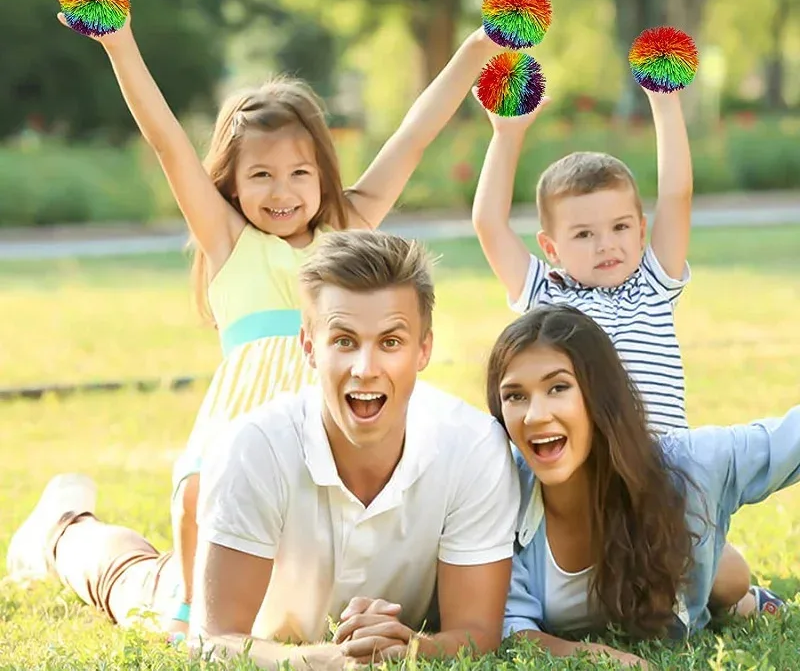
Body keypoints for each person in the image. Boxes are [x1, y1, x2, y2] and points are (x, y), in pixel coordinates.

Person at [49, 0, 501, 635]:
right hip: (242, 421)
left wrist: (480, 47)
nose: (282, 191)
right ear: (231, 183)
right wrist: (120, 43)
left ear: (323, 175)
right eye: (260, 175)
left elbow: (413, 135)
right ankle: (74, 534)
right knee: (195, 511)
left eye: (299, 173)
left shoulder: (349, 230)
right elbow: (169, 142)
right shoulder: (230, 241)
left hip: (325, 428)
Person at [7, 230, 520, 670]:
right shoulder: (253, 448)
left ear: (424, 349)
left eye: (390, 341)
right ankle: (63, 527)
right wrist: (319, 660)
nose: (366, 367)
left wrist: (413, 648)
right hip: (252, 611)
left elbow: (477, 631)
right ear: (308, 347)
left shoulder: (473, 447)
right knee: (138, 583)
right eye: (343, 340)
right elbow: (209, 641)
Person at [470, 86, 765, 615]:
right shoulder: (547, 297)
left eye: (620, 227)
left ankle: (742, 601)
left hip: (658, 483)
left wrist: (665, 104)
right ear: (551, 247)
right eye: (583, 234)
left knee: (728, 580)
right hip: (578, 489)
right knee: (609, 591)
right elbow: (489, 224)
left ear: (641, 229)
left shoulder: (652, 283)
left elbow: (677, 193)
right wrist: (506, 134)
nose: (606, 244)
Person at [486, 304, 795, 667]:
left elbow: (789, 441)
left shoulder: (690, 463)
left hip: (687, 553)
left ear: (599, 395)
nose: (536, 415)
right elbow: (510, 630)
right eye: (515, 396)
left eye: (558, 387)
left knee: (730, 581)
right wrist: (606, 657)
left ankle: (740, 595)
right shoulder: (496, 491)